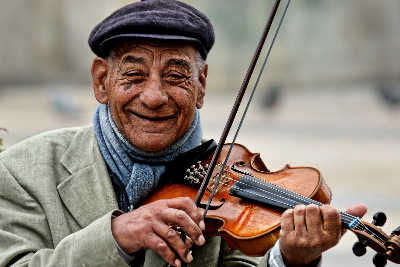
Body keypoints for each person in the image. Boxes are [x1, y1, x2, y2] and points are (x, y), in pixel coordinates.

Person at [0, 0, 366, 266]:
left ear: (201, 85)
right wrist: (115, 237)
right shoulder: (22, 171)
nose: (155, 96)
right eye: (134, 76)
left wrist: (289, 260)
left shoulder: (229, 183)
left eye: (176, 77)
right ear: (101, 81)